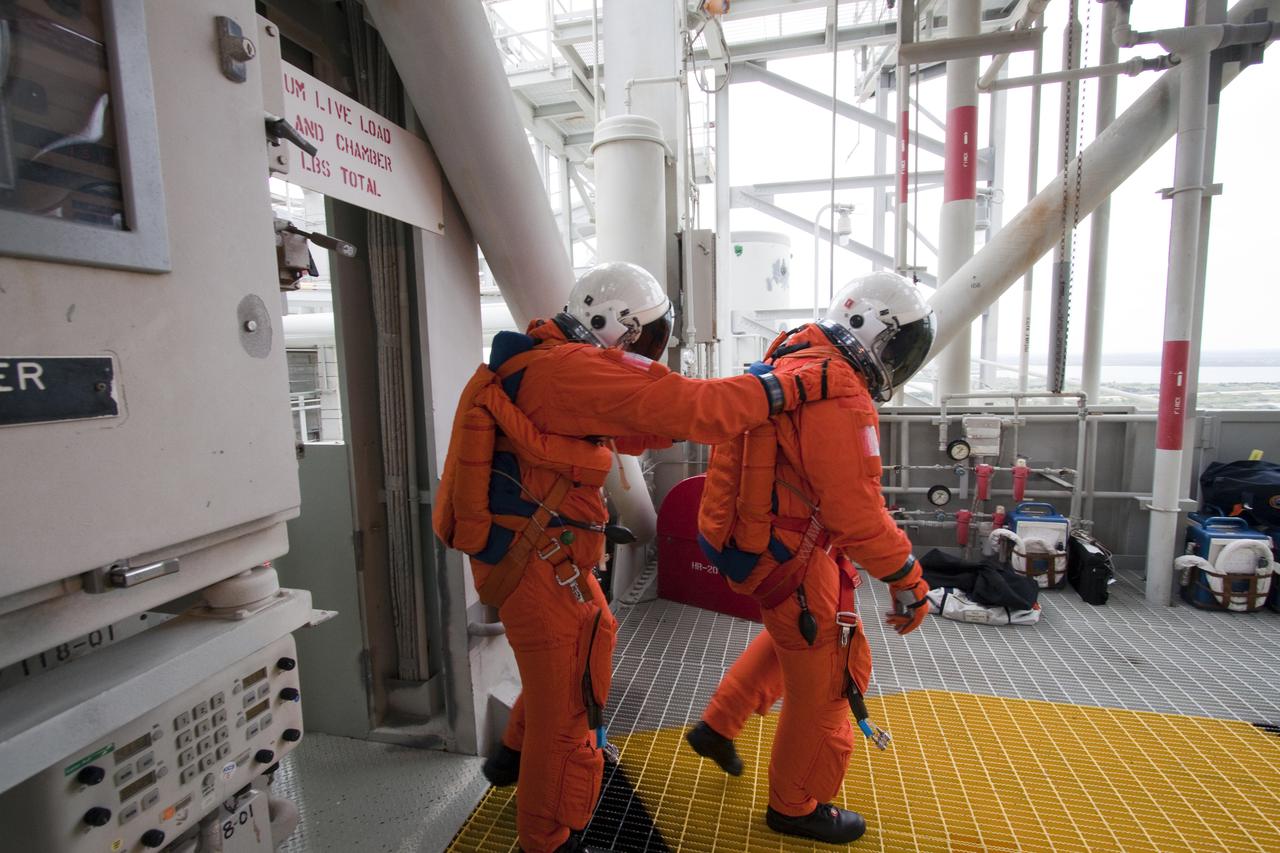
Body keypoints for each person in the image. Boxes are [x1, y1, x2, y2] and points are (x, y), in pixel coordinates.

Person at [433, 261, 867, 853]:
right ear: (622, 327)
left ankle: (510, 758)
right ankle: (549, 838)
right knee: (569, 710)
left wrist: (688, 403)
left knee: (575, 660)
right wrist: (785, 386)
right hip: (539, 564)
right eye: (648, 337)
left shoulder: (543, 360)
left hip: (533, 556)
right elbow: (695, 412)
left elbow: (643, 424)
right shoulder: (570, 373)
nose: (649, 349)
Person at [685, 271, 936, 844]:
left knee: (793, 638)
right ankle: (795, 805)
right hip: (790, 555)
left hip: (772, 549)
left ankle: (719, 726)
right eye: (899, 347)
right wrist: (906, 577)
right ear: (875, 332)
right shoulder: (839, 391)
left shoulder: (791, 359)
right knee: (827, 676)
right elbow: (855, 512)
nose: (897, 361)